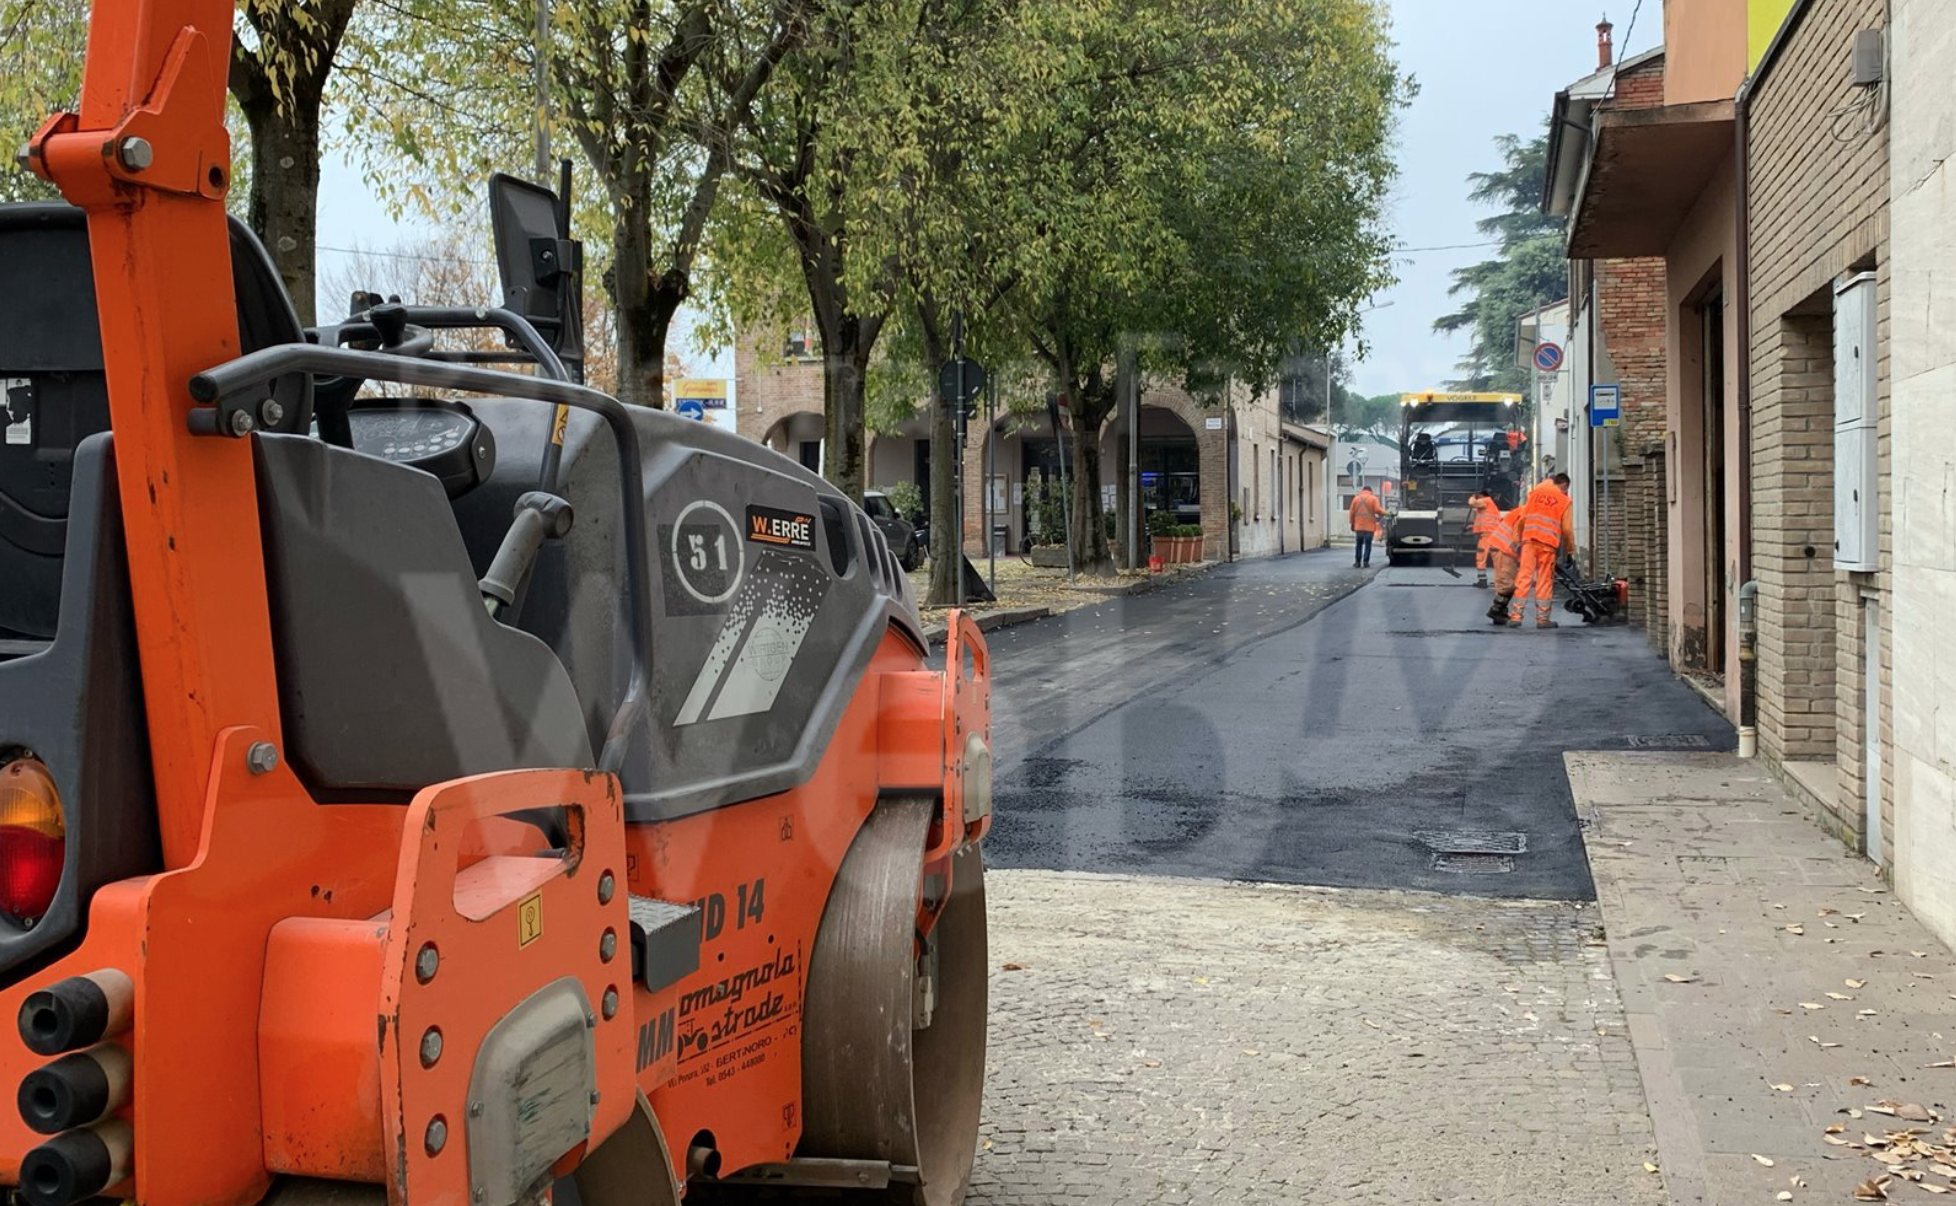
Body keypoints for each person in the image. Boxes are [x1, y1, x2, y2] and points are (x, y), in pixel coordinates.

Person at [1508, 473, 1574, 629]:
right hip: (1547, 545)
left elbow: (1523, 518)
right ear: (1564, 485)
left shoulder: (1535, 494)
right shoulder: (1564, 500)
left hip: (1529, 541)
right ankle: (1543, 619)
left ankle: (1515, 617)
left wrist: (1517, 540)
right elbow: (1567, 529)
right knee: (1544, 581)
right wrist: (1570, 551)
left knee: (1523, 577)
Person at [1483, 505, 1524, 625]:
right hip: (1504, 548)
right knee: (1507, 584)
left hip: (1502, 547)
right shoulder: (1528, 512)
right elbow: (1517, 535)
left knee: (1506, 582)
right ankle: (1496, 610)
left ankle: (1500, 611)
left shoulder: (1525, 510)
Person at [1467, 490, 1503, 588]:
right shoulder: (1490, 505)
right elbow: (1485, 521)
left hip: (1487, 536)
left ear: (1481, 495)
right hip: (1494, 534)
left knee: (1481, 557)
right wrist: (1471, 527)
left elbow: (1472, 503)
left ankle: (1482, 581)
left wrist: (1473, 496)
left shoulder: (1485, 500)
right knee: (1497, 559)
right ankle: (1500, 581)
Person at [1349, 484, 1386, 568]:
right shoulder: (1373, 498)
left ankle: (1357, 562)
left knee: (1358, 544)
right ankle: (1366, 562)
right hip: (1369, 527)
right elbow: (1377, 510)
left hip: (1359, 526)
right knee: (1368, 545)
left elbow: (1351, 513)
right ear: (1370, 491)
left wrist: (1352, 523)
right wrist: (1386, 513)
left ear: (1363, 490)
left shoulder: (1356, 499)